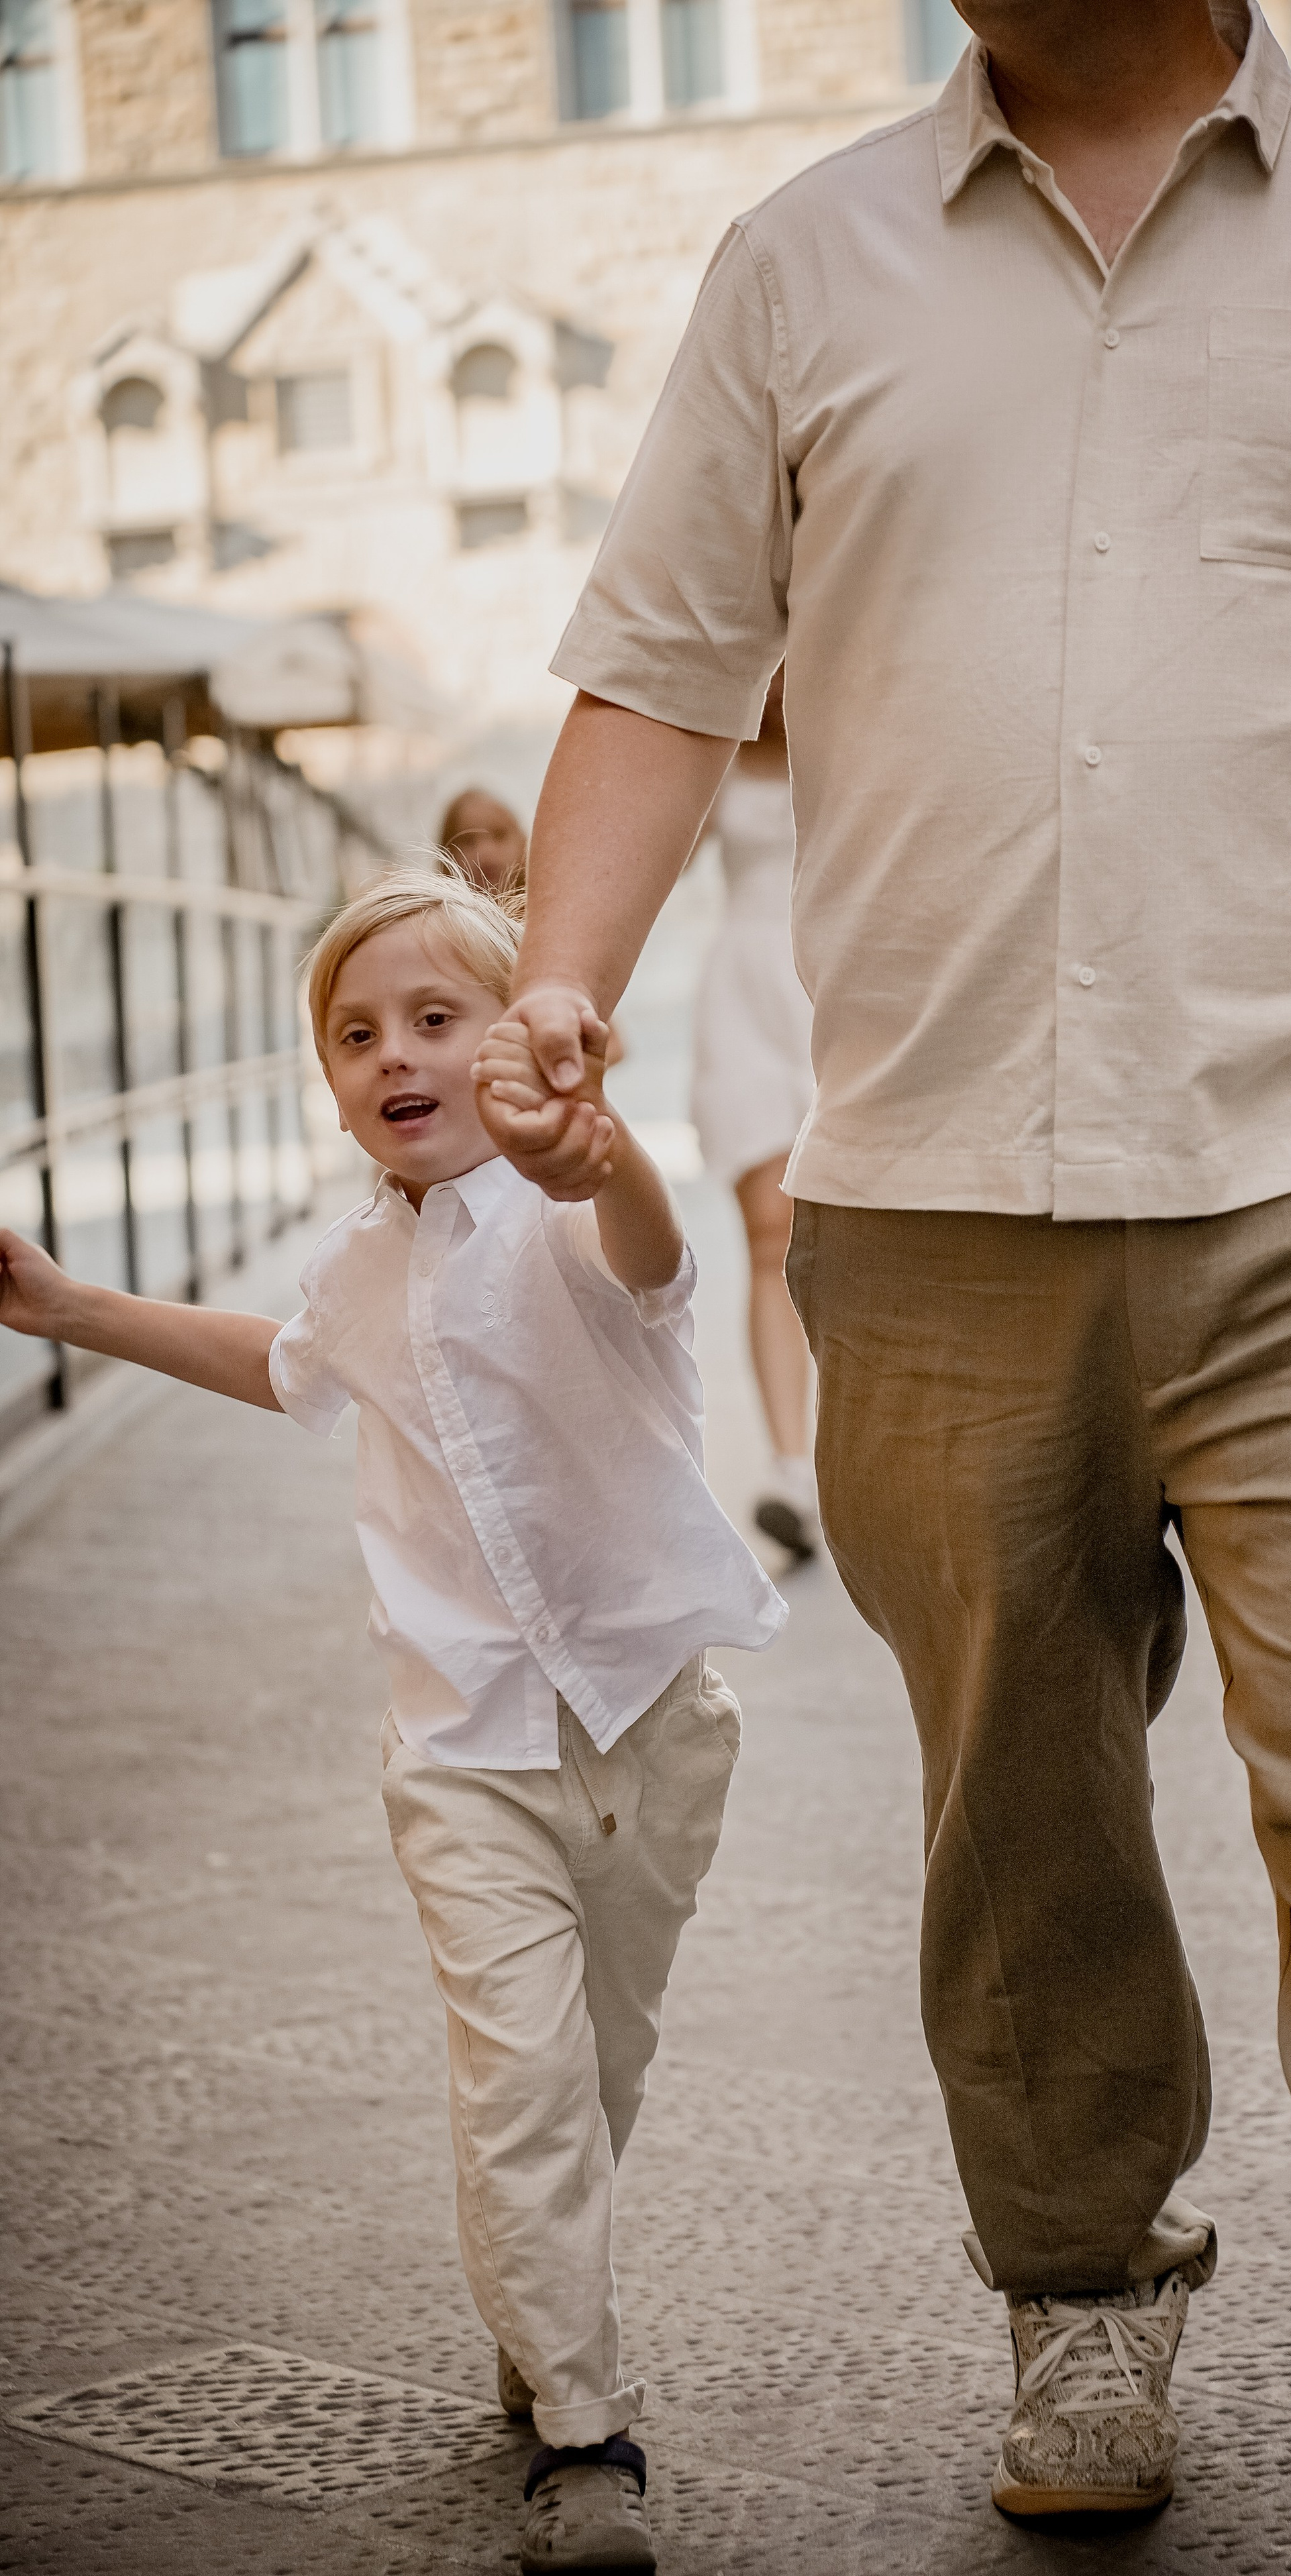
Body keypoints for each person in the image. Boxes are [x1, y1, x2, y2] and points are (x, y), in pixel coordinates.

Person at [481, 1, 1291, 2569]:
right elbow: (662, 666)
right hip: (925, 1196)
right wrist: (560, 982)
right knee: (1013, 1813)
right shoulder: (799, 259)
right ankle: (1074, 2283)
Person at [0, 871, 785, 2576]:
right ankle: (585, 2438)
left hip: (653, 1724)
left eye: (437, 1018)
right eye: (355, 1034)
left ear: (515, 1042)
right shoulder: (358, 1265)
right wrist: (69, 1307)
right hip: (462, 1748)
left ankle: (535, 2291)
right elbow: (281, 1360)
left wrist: (606, 1150)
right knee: (521, 2081)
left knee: (601, 2070)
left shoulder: (573, 1216)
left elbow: (653, 1249)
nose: (392, 1053)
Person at [689, 665, 819, 1559]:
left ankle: (861, 1463)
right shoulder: (713, 756)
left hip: (833, 985)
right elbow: (642, 864)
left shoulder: (848, 729)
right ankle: (791, 1471)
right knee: (769, 1233)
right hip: (741, 998)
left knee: (854, 1237)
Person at [440, 786, 529, 896]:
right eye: (468, 841)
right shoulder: (436, 912)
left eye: (499, 835)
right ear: (447, 854)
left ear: (523, 842)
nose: (485, 851)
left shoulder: (548, 907)